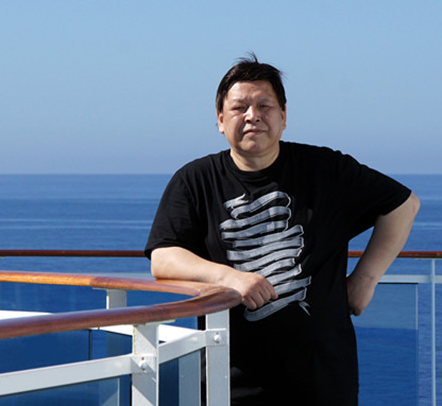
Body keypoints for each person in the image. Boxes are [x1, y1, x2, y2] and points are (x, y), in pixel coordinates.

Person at [144, 55, 420, 405]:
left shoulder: (326, 170)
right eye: (239, 107)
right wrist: (230, 278)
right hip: (228, 380)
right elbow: (164, 257)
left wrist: (366, 278)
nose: (252, 116)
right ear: (220, 120)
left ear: (284, 116)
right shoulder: (195, 181)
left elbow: (403, 205)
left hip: (323, 381)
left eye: (264, 106)